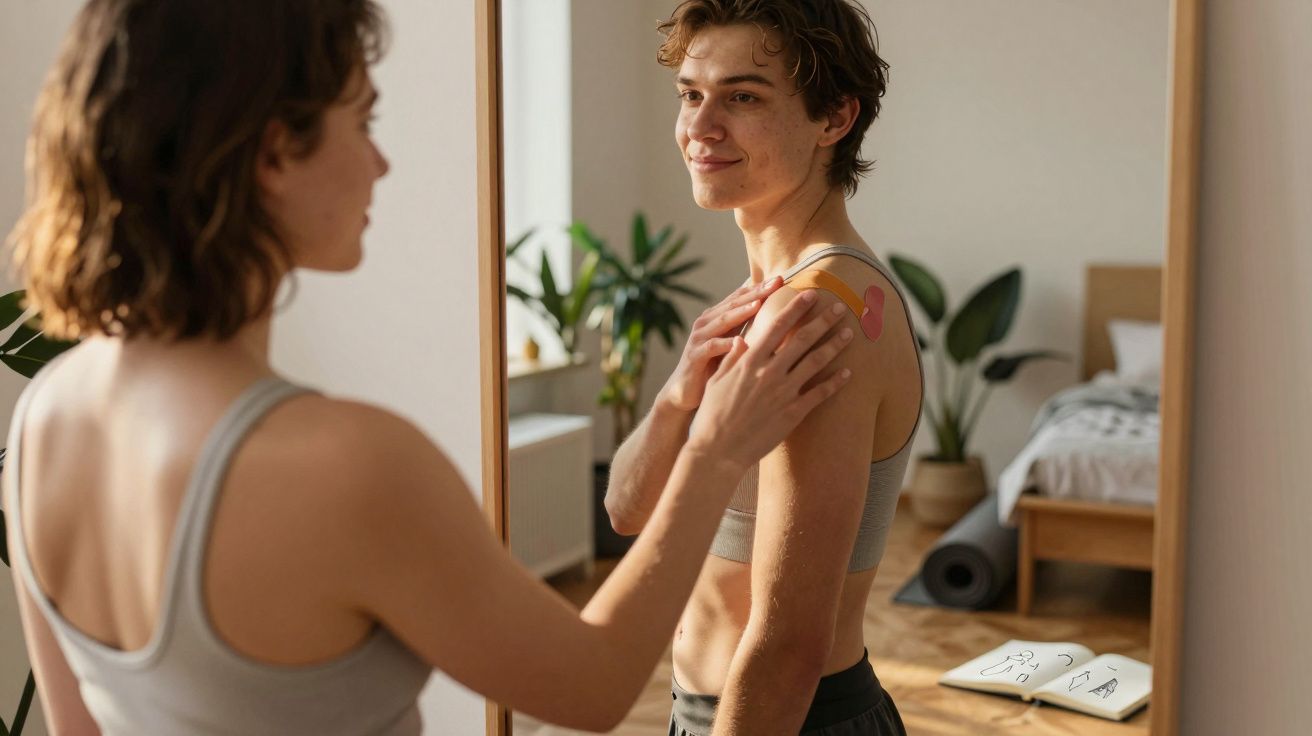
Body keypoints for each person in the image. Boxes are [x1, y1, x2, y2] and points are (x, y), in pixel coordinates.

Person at [0, 1, 857, 734]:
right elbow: (592, 686)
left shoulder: (42, 417)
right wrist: (711, 451)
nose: (381, 163)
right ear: (271, 155)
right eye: (362, 122)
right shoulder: (345, 462)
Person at [602, 1, 921, 734]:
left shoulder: (818, 311)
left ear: (835, 118)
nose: (699, 128)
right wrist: (680, 396)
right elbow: (627, 510)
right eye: (690, 94)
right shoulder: (758, 302)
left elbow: (789, 646)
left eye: (742, 97)